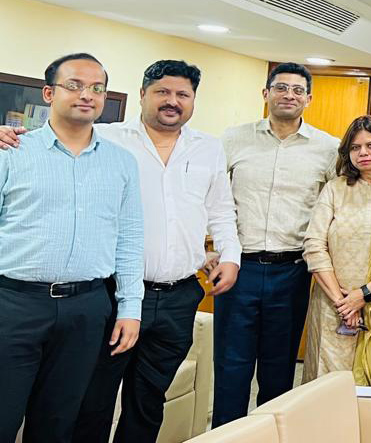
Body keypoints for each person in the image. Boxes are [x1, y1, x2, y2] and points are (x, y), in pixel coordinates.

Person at [0, 59, 243, 441]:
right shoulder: (107, 139)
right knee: (90, 400)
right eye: (162, 92)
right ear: (143, 94)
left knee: (147, 401)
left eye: (183, 94)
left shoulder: (206, 148)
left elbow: (219, 210)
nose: (172, 101)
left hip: (176, 295)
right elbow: (59, 136)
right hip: (109, 292)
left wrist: (229, 255)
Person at [0, 53, 143, 443]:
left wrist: (130, 307)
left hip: (87, 307)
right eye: (75, 85)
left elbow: (130, 239)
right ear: (49, 93)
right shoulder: (11, 151)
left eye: (97, 88)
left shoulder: (121, 163)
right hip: (14, 304)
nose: (87, 95)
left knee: (58, 423)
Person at [214, 62, 341, 426]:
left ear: (309, 99)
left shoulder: (328, 148)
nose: (289, 95)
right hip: (239, 268)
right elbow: (209, 196)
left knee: (279, 369)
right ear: (266, 93)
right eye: (281, 88)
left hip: (293, 271)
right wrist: (206, 247)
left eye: (298, 90)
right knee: (231, 366)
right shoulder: (233, 139)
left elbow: (340, 206)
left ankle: (272, 433)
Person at [302, 115, 371, 385]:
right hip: (332, 303)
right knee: (326, 384)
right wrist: (343, 303)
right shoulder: (335, 189)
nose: (363, 153)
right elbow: (314, 245)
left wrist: (364, 295)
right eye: (355, 147)